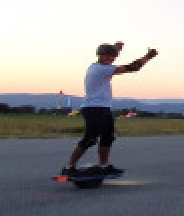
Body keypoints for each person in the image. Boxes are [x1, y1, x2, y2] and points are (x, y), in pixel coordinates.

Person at [62, 42, 158, 177]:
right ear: (99, 56)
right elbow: (133, 67)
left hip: (103, 108)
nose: (111, 59)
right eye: (107, 56)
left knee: (107, 137)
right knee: (90, 139)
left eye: (113, 57)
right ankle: (69, 167)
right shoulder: (100, 69)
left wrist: (117, 48)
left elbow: (111, 55)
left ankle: (104, 166)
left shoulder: (100, 65)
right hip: (93, 108)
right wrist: (148, 56)